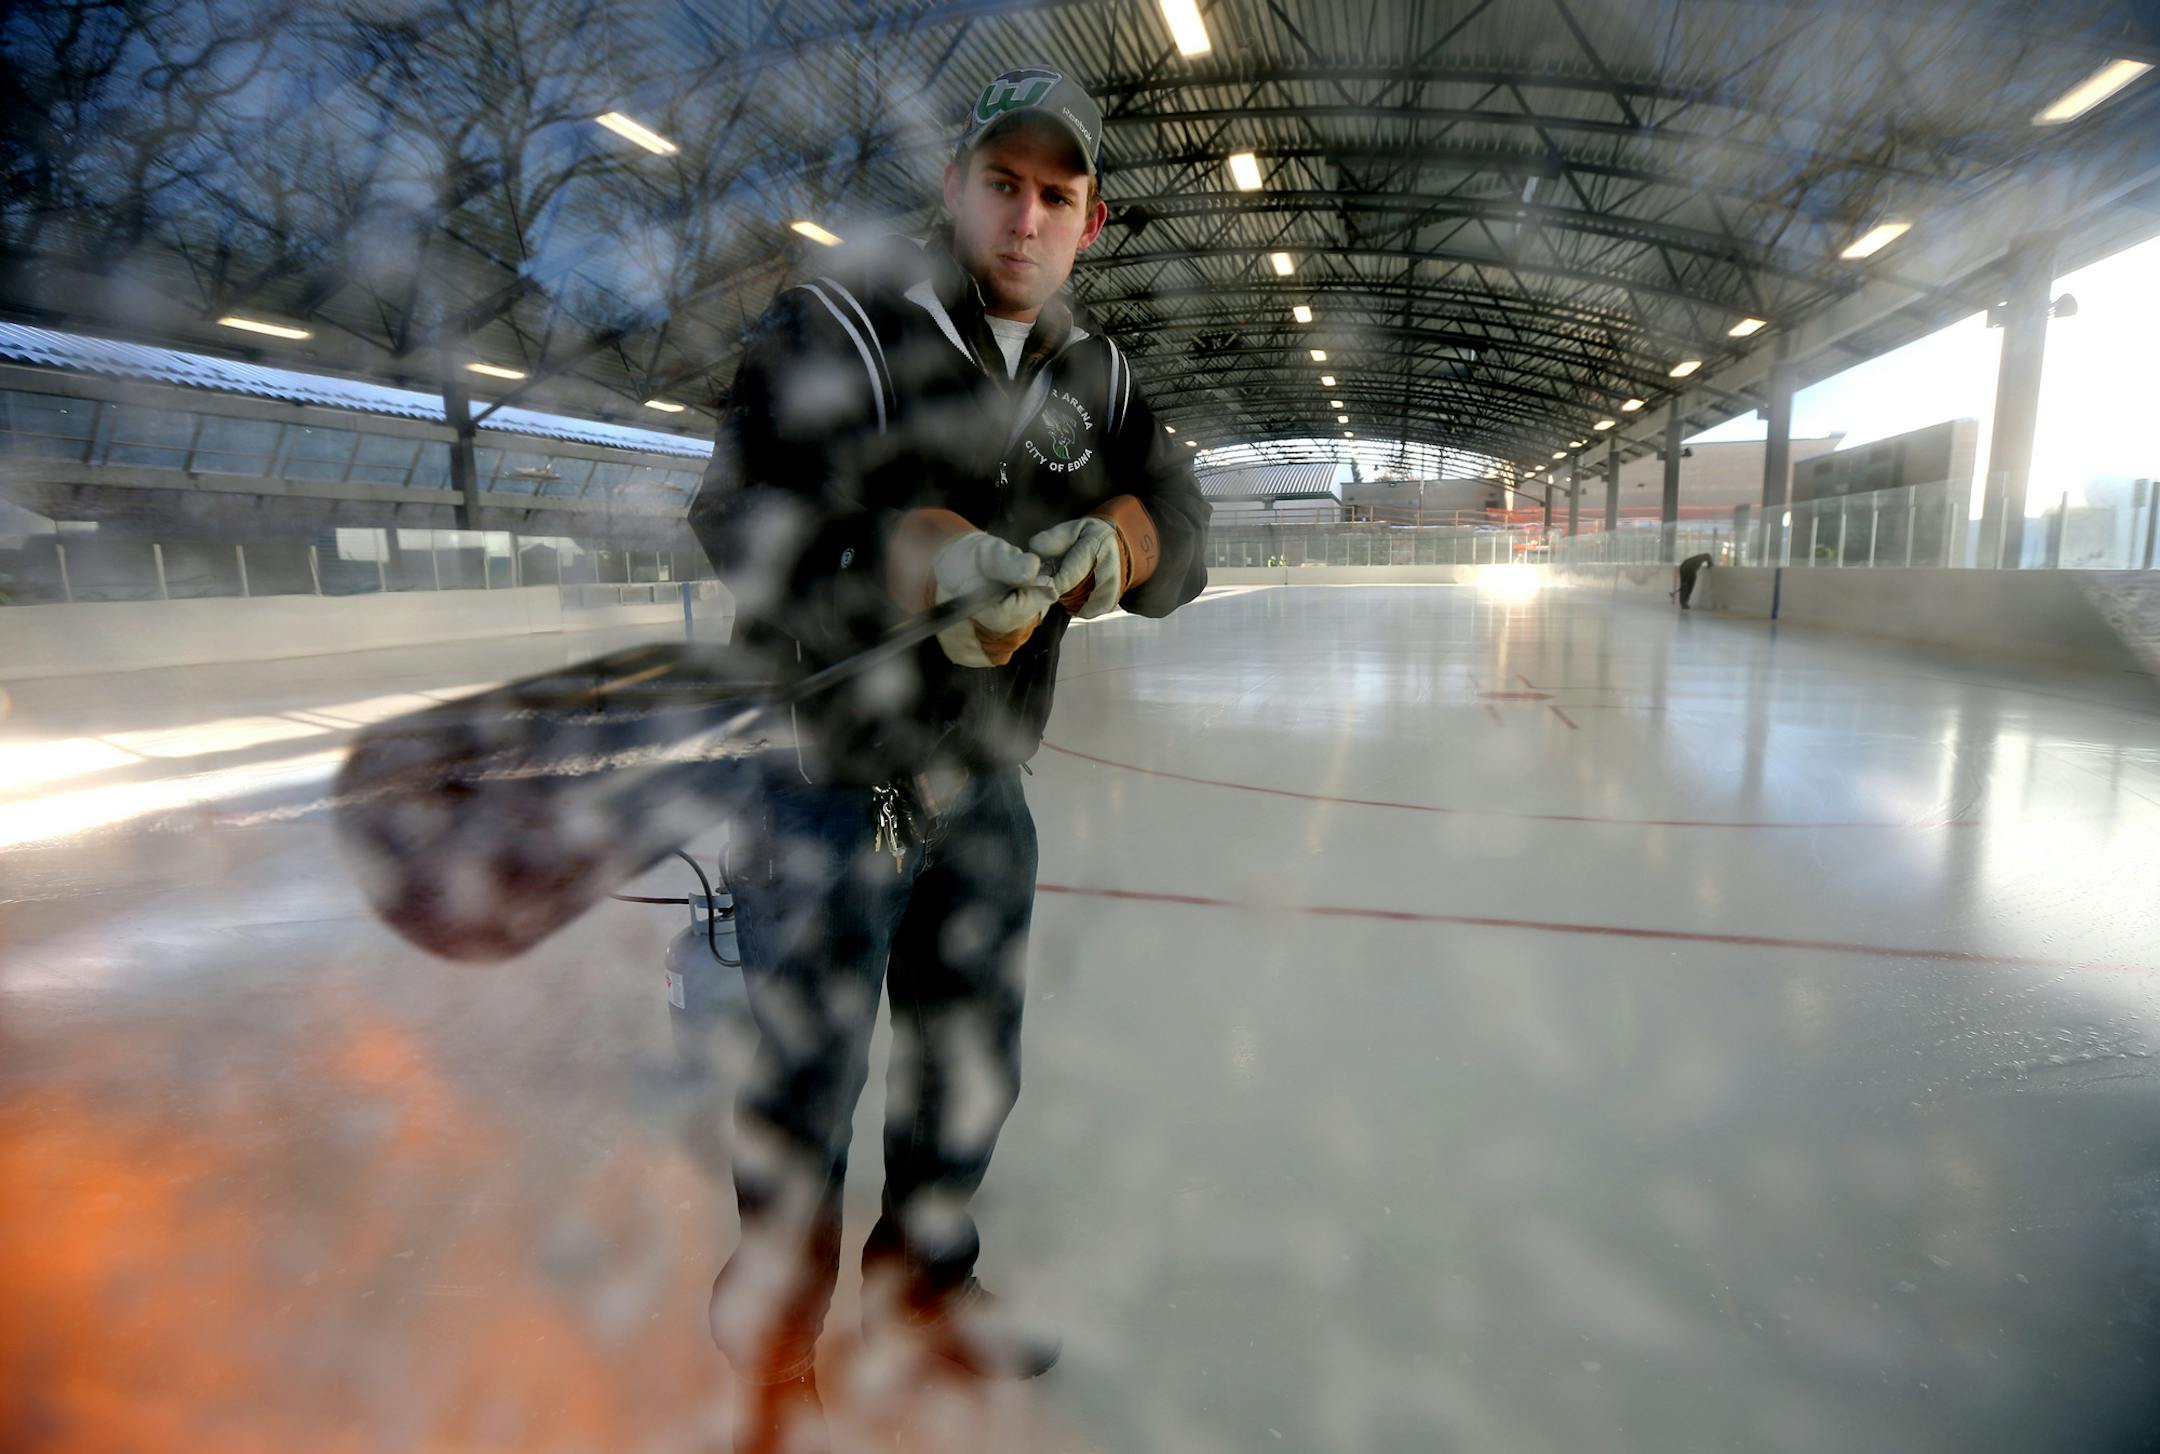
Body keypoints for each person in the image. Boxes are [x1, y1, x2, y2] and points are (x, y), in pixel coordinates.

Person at [687, 65, 1211, 1452]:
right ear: (953, 187)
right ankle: (772, 1341)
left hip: (981, 786)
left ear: (1092, 221)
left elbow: (1180, 511)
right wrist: (925, 559)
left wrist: (1124, 546)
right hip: (825, 780)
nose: (1025, 217)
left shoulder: (1094, 377)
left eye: (1058, 194)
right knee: (807, 1085)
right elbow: (746, 507)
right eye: (1002, 183)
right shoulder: (840, 329)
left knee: (964, 1062)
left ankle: (922, 1284)